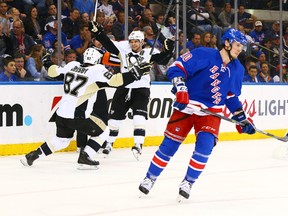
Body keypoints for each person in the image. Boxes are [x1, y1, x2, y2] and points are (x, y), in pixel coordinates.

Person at [138, 28, 256, 200]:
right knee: (169, 146)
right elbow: (176, 68)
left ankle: (188, 182)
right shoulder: (203, 54)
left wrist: (242, 119)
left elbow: (231, 96)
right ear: (227, 43)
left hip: (211, 112)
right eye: (238, 45)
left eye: (242, 46)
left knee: (204, 147)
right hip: (187, 107)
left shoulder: (237, 69)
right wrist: (181, 88)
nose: (240, 49)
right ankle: (150, 178)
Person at [20, 46, 148, 169]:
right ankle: (85, 156)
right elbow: (115, 81)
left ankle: (33, 155)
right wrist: (136, 73)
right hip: (78, 115)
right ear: (97, 60)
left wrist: (47, 62)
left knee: (61, 141)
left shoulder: (72, 65)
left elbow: (53, 72)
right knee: (104, 132)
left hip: (61, 114)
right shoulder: (97, 70)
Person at [101, 30, 174, 160]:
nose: (133, 44)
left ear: (142, 42)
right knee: (114, 119)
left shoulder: (149, 52)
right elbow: (108, 44)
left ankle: (138, 144)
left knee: (139, 117)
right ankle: (109, 143)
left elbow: (163, 60)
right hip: (124, 86)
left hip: (141, 89)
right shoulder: (123, 48)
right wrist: (98, 32)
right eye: (132, 41)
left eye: (136, 41)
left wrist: (169, 50)